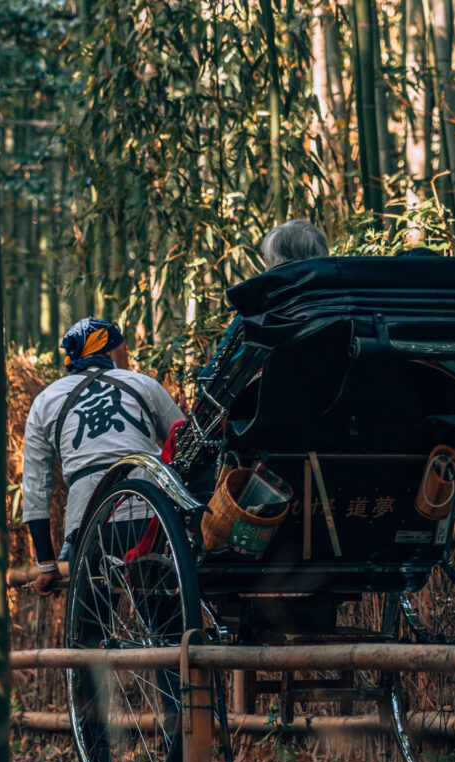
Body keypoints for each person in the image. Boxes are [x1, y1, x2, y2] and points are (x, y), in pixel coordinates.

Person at [23, 317, 183, 597]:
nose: (127, 355)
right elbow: (184, 440)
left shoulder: (45, 401)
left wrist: (47, 563)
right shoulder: (142, 384)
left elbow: (35, 489)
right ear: (109, 351)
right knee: (161, 619)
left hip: (90, 523)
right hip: (152, 516)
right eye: (124, 348)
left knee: (89, 629)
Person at [198, 220, 329, 383]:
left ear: (277, 265)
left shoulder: (256, 315)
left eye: (267, 261)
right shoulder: (347, 307)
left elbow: (210, 379)